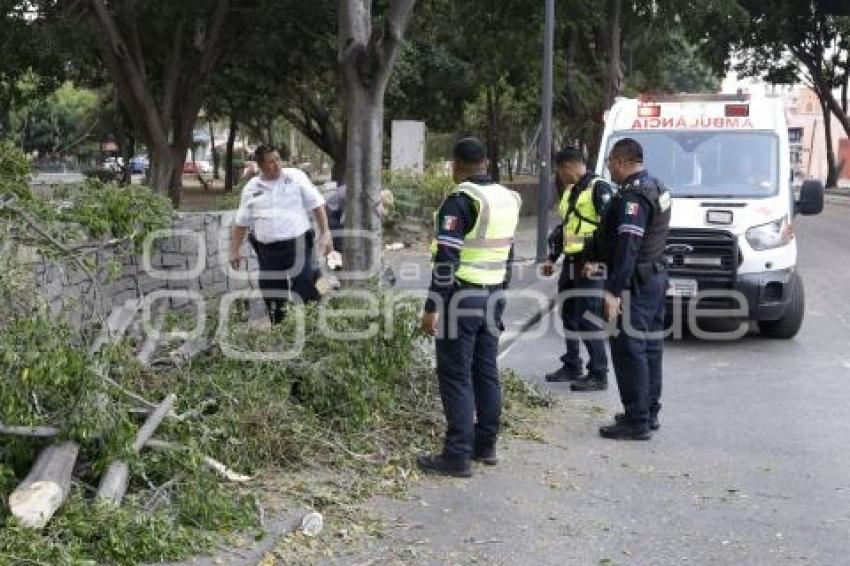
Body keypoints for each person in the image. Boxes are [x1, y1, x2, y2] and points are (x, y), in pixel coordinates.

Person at [418, 137, 521, 477]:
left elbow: (447, 259)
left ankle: (457, 455)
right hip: (493, 296)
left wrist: (432, 306)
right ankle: (485, 444)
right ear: (486, 163)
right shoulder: (508, 198)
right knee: (485, 369)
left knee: (456, 375)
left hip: (461, 299)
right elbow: (508, 251)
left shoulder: (461, 200)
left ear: (456, 166)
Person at [590, 138, 671, 440]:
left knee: (628, 349)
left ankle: (636, 421)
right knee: (649, 348)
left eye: (611, 161)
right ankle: (647, 412)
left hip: (635, 283)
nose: (609, 167)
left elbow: (628, 247)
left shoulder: (633, 197)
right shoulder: (658, 187)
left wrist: (612, 291)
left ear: (623, 162)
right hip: (655, 278)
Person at [229, 144, 333, 324]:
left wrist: (325, 233)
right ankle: (281, 330)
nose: (277, 164)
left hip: (299, 245)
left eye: (278, 159)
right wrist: (234, 250)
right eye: (271, 162)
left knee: (306, 285)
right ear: (260, 165)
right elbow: (241, 223)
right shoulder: (251, 189)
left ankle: (312, 326)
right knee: (271, 292)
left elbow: (317, 205)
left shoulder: (296, 177)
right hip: (268, 251)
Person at [541, 147, 613, 391]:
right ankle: (572, 364)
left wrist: (598, 261)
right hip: (572, 261)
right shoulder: (572, 190)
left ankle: (599, 373)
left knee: (588, 316)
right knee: (569, 313)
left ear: (568, 166)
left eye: (559, 171)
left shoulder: (599, 188)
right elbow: (568, 227)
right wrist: (553, 257)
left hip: (591, 264)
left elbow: (610, 229)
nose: (559, 176)